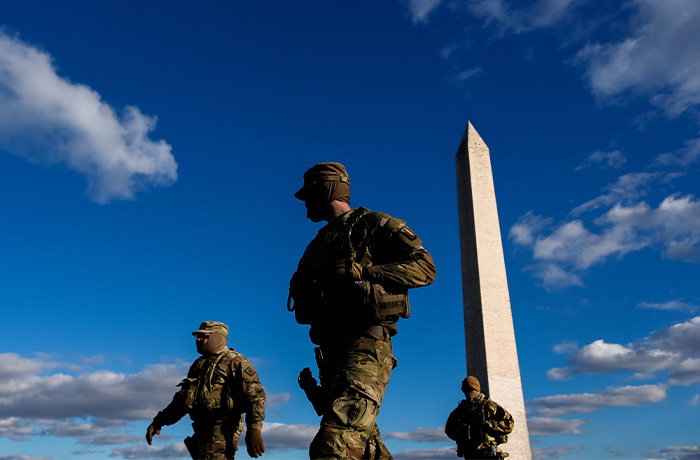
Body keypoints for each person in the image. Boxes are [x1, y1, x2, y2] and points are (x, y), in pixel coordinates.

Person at [288, 162, 436, 460]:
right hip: (330, 355)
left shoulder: (376, 225)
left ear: (327, 191)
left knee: (334, 447)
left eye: (309, 196)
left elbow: (426, 268)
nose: (304, 204)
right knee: (367, 449)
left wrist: (367, 271)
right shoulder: (317, 244)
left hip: (364, 347)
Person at [145, 321, 266, 459]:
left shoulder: (236, 362)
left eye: (203, 336)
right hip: (201, 431)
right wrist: (159, 421)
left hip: (222, 430)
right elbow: (183, 400)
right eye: (197, 337)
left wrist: (254, 430)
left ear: (216, 337)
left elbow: (255, 397)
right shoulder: (199, 365)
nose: (198, 340)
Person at [445, 376, 514, 459]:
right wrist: (463, 430)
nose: (470, 396)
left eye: (471, 391)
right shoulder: (461, 410)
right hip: (470, 453)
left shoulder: (489, 406)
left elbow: (509, 424)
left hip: (488, 453)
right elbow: (449, 430)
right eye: (468, 391)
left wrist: (487, 424)